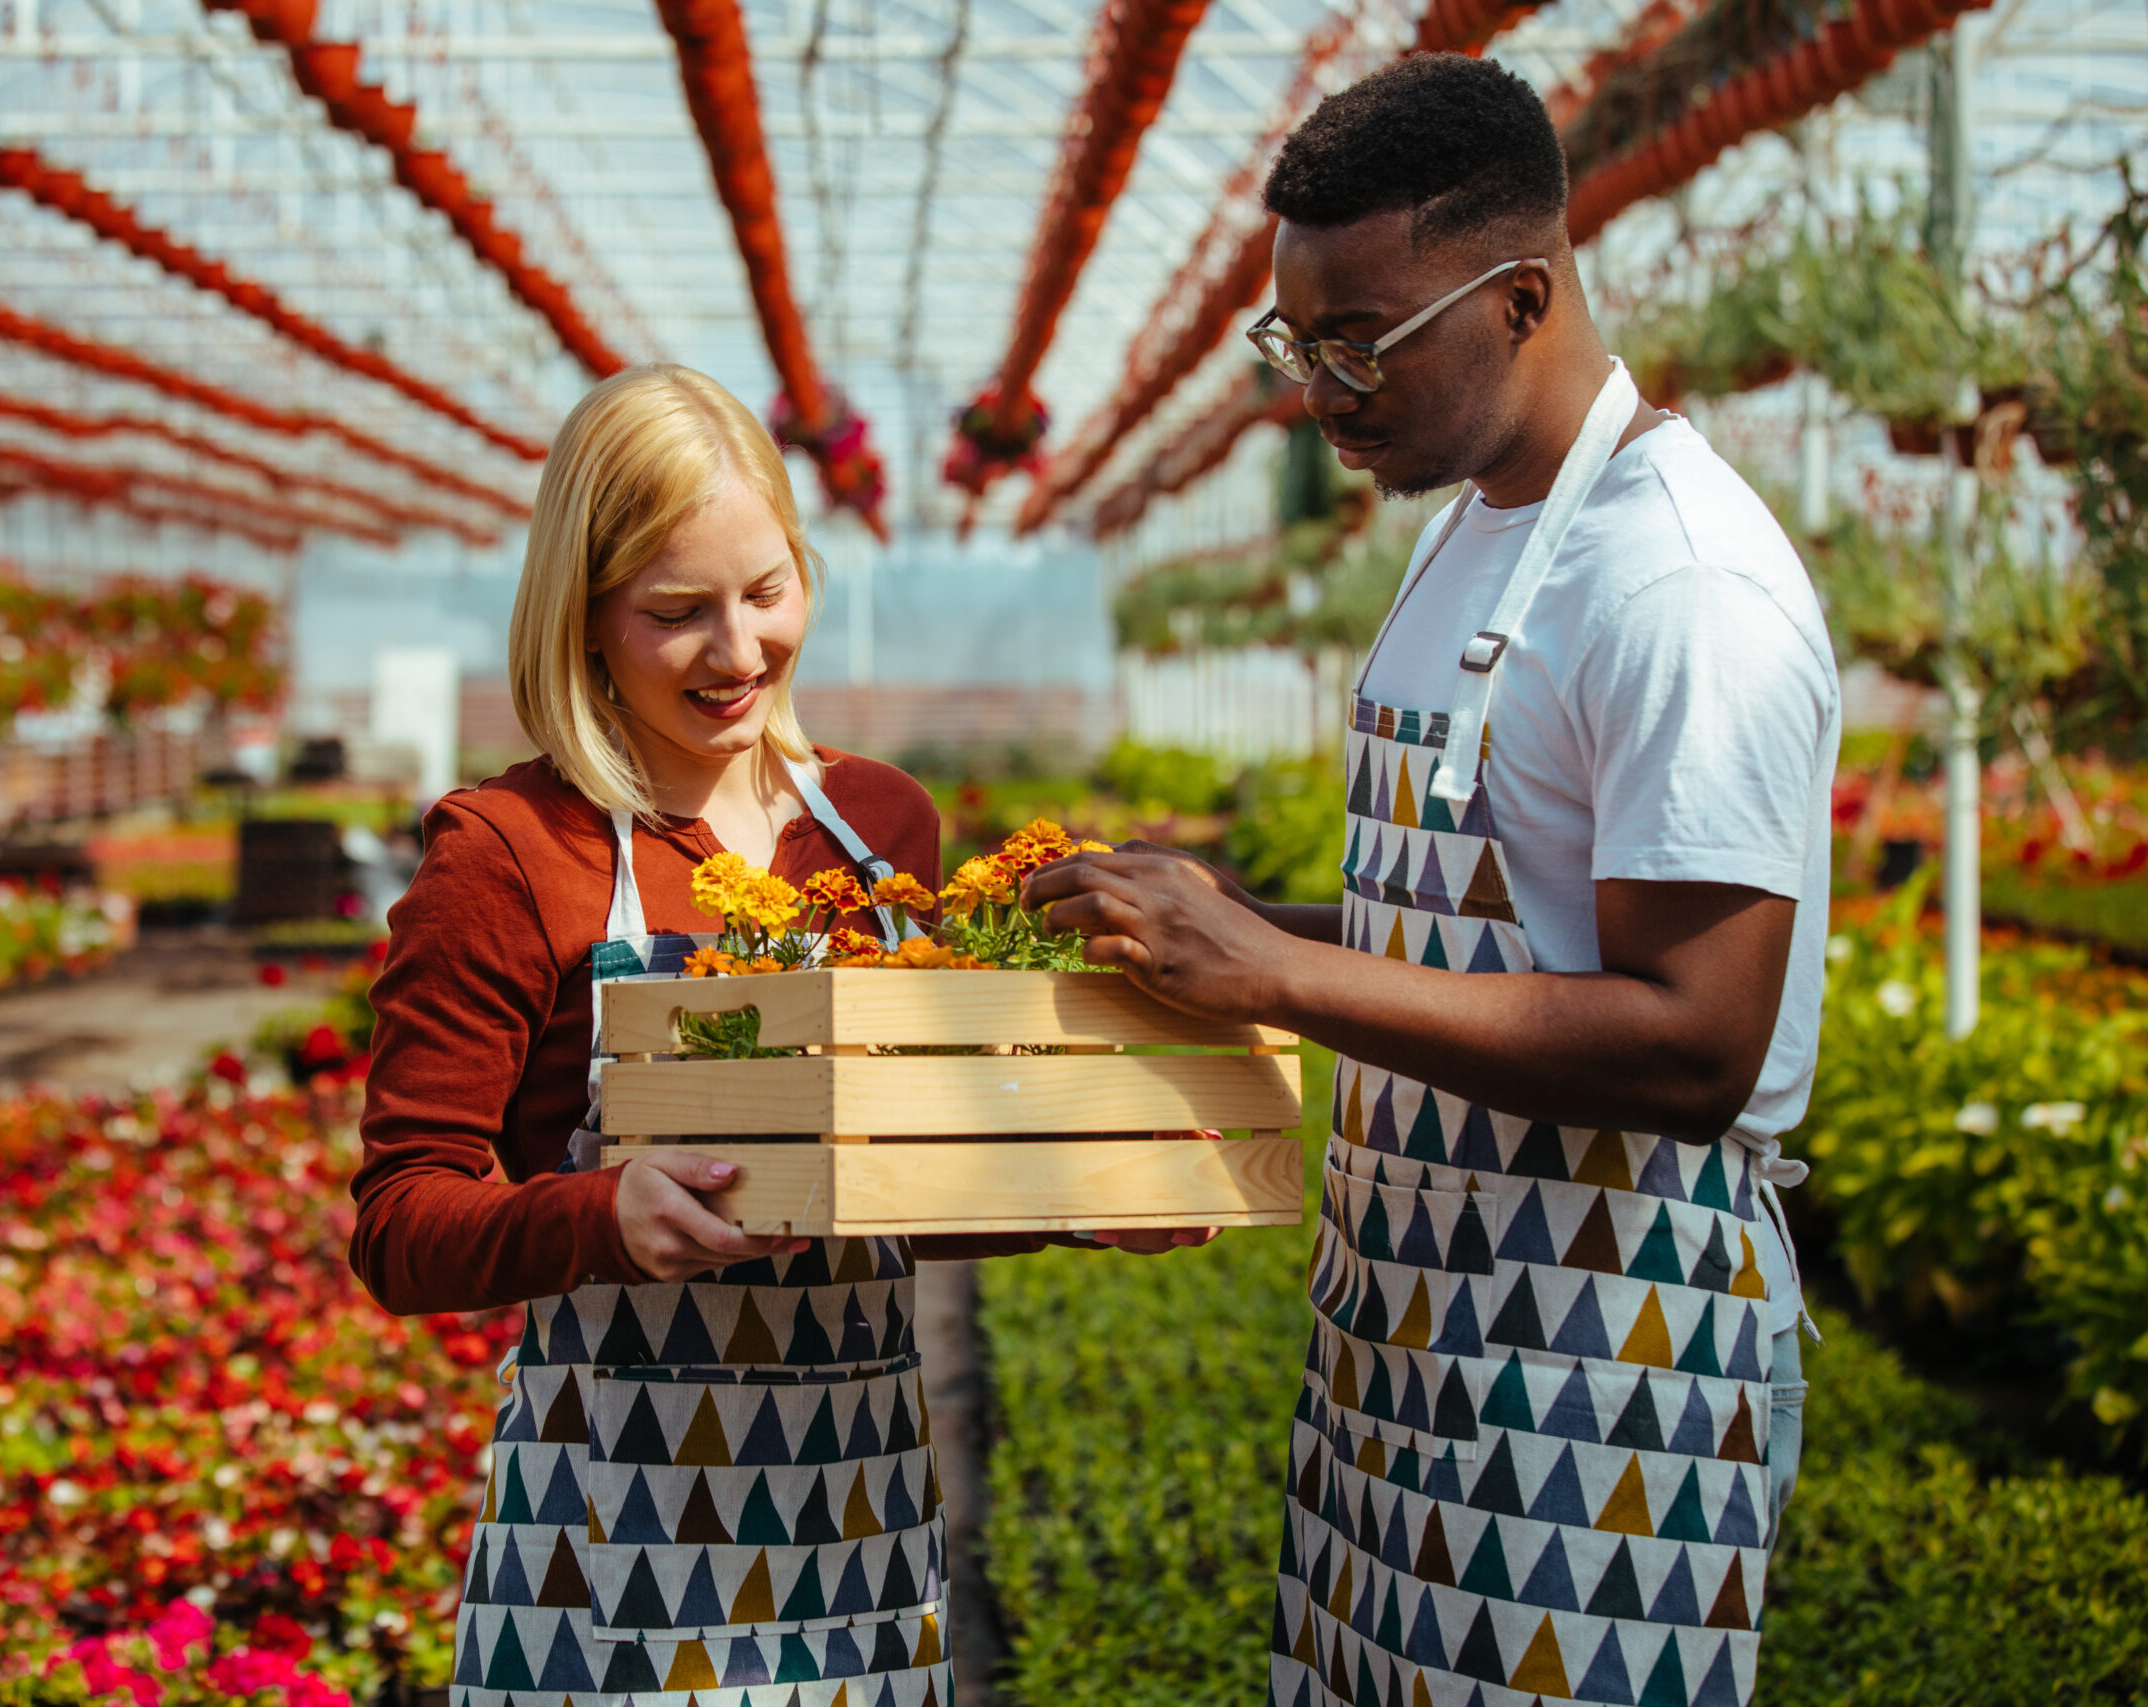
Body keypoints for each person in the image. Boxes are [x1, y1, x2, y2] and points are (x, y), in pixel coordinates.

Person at [1026, 55, 1836, 1707]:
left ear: (1522, 293)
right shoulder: (1472, 520)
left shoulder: (1681, 584)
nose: (1321, 388)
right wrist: (1216, 927)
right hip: (1405, 1330)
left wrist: (1278, 978)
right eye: (1297, 341)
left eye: (1359, 342)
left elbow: (1698, 1042)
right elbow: (1468, 925)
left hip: (1604, 1362)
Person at [351, 364, 1099, 1707]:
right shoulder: (514, 853)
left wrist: (1088, 1188)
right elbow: (402, 1224)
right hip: (614, 1538)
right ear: (582, 620)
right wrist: (602, 1216)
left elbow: (885, 1183)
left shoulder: (876, 832)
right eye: (676, 613)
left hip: (860, 1524)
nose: (740, 650)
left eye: (767, 590)